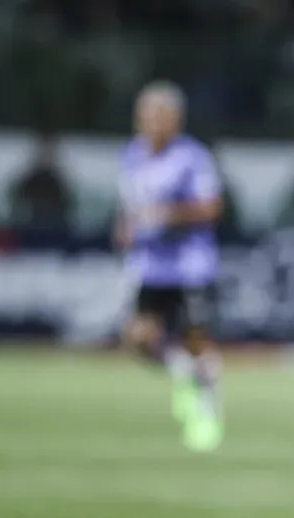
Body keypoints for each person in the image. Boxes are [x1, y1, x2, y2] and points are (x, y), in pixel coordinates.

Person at [115, 81, 225, 452]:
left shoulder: (193, 157)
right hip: (150, 266)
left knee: (196, 340)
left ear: (175, 119)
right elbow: (131, 208)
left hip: (189, 266)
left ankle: (205, 406)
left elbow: (211, 207)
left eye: (159, 115)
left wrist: (166, 215)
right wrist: (127, 228)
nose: (151, 123)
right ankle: (187, 375)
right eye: (146, 115)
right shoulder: (132, 155)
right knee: (139, 340)